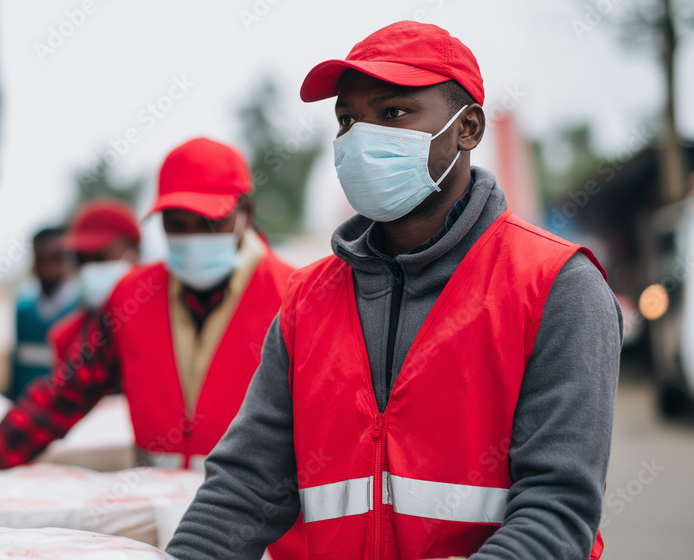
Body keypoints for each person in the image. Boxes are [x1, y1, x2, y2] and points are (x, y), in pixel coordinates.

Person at [166, 21, 622, 560]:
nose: (361, 137)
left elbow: (556, 511)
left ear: (468, 128)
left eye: (393, 113)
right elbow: (245, 488)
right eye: (347, 119)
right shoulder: (307, 300)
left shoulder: (555, 286)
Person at [0, 137, 307, 560]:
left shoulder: (295, 297)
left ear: (245, 214)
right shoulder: (133, 297)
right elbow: (62, 396)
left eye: (210, 223)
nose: (193, 237)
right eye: (176, 225)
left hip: (260, 537)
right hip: (153, 524)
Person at [50, 198, 142, 370]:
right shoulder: (67, 338)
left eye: (100, 257)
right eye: (82, 260)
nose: (90, 269)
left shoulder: (164, 325)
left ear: (134, 253)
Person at [9, 227, 78, 398]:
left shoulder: (79, 307)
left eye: (56, 259)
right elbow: (16, 362)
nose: (48, 268)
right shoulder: (23, 308)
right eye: (41, 260)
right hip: (27, 401)